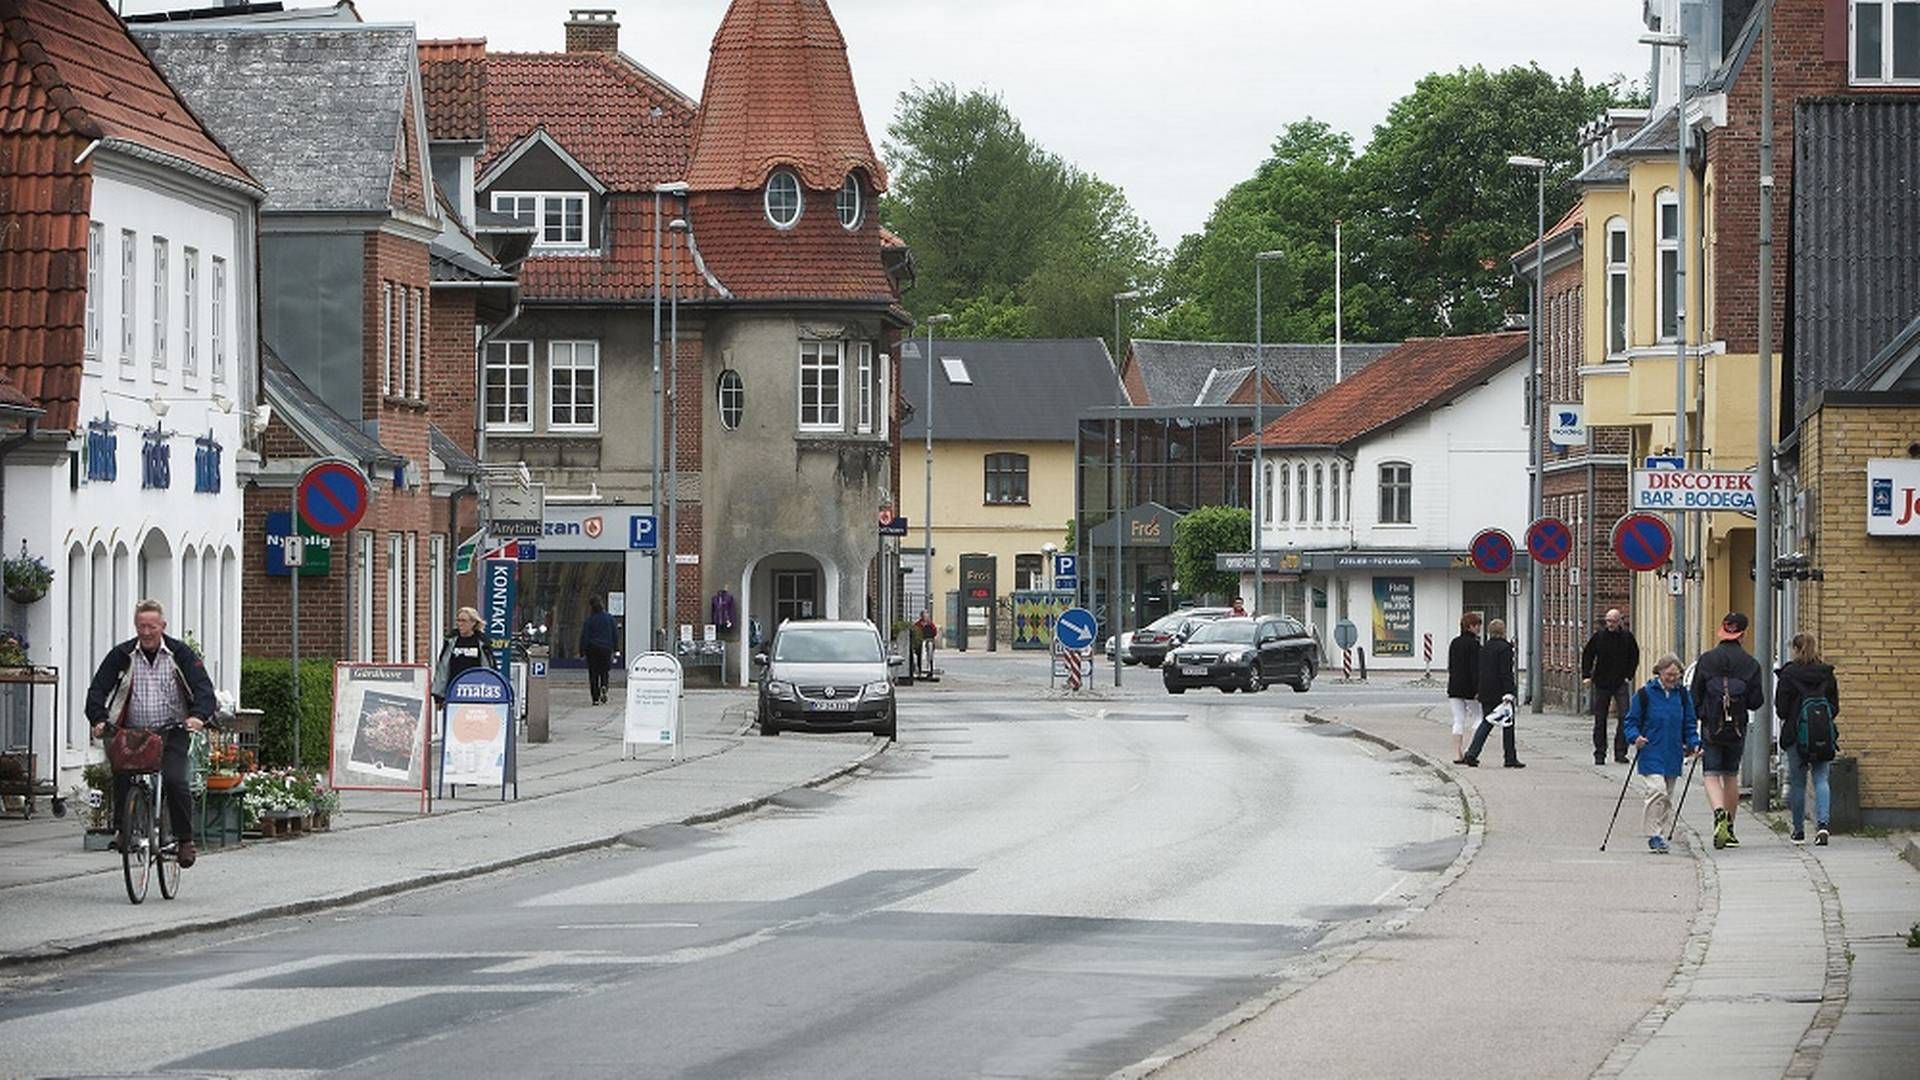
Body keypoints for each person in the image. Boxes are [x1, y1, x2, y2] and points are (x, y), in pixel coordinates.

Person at [84, 600, 217, 869]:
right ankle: (123, 830)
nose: (146, 632)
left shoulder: (180, 654)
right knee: (122, 773)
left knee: (175, 780)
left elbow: (204, 689)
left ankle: (185, 840)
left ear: (162, 627)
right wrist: (98, 719)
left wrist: (198, 717)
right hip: (133, 732)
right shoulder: (122, 655)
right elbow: (98, 689)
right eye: (141, 626)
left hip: (172, 731)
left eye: (151, 627)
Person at [1691, 612, 1765, 850]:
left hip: (1711, 727)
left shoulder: (1707, 660)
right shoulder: (1750, 664)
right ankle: (1730, 828)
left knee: (1711, 774)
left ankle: (1718, 813)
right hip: (1737, 728)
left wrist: (1698, 719)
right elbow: (1756, 701)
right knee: (1731, 775)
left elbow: (1695, 696)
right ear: (1743, 633)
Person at [1622, 654, 1699, 854]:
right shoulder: (1645, 694)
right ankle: (1653, 835)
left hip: (1673, 751)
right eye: (1669, 675)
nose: (1673, 679)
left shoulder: (1682, 695)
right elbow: (1631, 721)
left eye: (1676, 675)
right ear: (1659, 673)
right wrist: (1635, 737)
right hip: (1651, 750)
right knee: (1658, 790)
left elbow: (1689, 722)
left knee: (1667, 796)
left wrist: (1694, 743)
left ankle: (1661, 834)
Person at [1774, 632, 1840, 845]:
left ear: (1794, 649)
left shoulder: (1788, 674)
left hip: (1796, 735)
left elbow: (1782, 710)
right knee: (1821, 779)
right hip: (1823, 735)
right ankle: (1823, 826)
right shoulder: (1826, 673)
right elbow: (1835, 707)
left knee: (1798, 783)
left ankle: (1798, 831)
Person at [1581, 608, 1642, 765]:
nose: (1610, 624)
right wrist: (1586, 676)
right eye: (1608, 621)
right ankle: (1600, 752)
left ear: (1619, 621)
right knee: (1600, 718)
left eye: (1613, 621)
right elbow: (1588, 654)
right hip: (1602, 682)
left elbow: (1634, 656)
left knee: (1625, 716)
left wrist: (1629, 675)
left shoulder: (1627, 637)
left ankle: (1620, 751)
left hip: (1620, 681)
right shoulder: (1600, 637)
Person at [1462, 618, 1523, 768]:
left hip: (1486, 690)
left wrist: (1479, 689)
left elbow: (1480, 671)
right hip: (1501, 692)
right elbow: (1506, 672)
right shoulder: (1505, 648)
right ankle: (1510, 757)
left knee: (1487, 722)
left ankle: (1472, 753)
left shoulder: (1484, 648)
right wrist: (1510, 691)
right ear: (1503, 631)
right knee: (1508, 725)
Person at [433, 606, 495, 705]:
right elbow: (443, 667)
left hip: (476, 692)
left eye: (463, 621)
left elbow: (489, 667)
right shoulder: (451, 641)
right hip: (454, 690)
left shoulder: (482, 643)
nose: (459, 624)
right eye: (458, 620)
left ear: (473, 623)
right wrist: (439, 695)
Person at [1445, 611, 1484, 764]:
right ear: (1470, 627)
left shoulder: (1454, 643)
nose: (1479, 628)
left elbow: (1451, 665)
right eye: (1477, 625)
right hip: (1470, 688)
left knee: (1458, 719)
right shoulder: (1474, 645)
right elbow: (1476, 669)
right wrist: (1478, 688)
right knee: (1478, 718)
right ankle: (1470, 750)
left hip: (1454, 686)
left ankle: (1457, 753)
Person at [579, 598, 618, 705]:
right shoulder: (609, 618)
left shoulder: (589, 620)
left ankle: (595, 698)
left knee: (593, 674)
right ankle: (604, 685)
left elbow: (584, 637)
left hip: (592, 649)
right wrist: (616, 649)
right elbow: (615, 634)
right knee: (604, 671)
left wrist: (582, 652)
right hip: (606, 648)